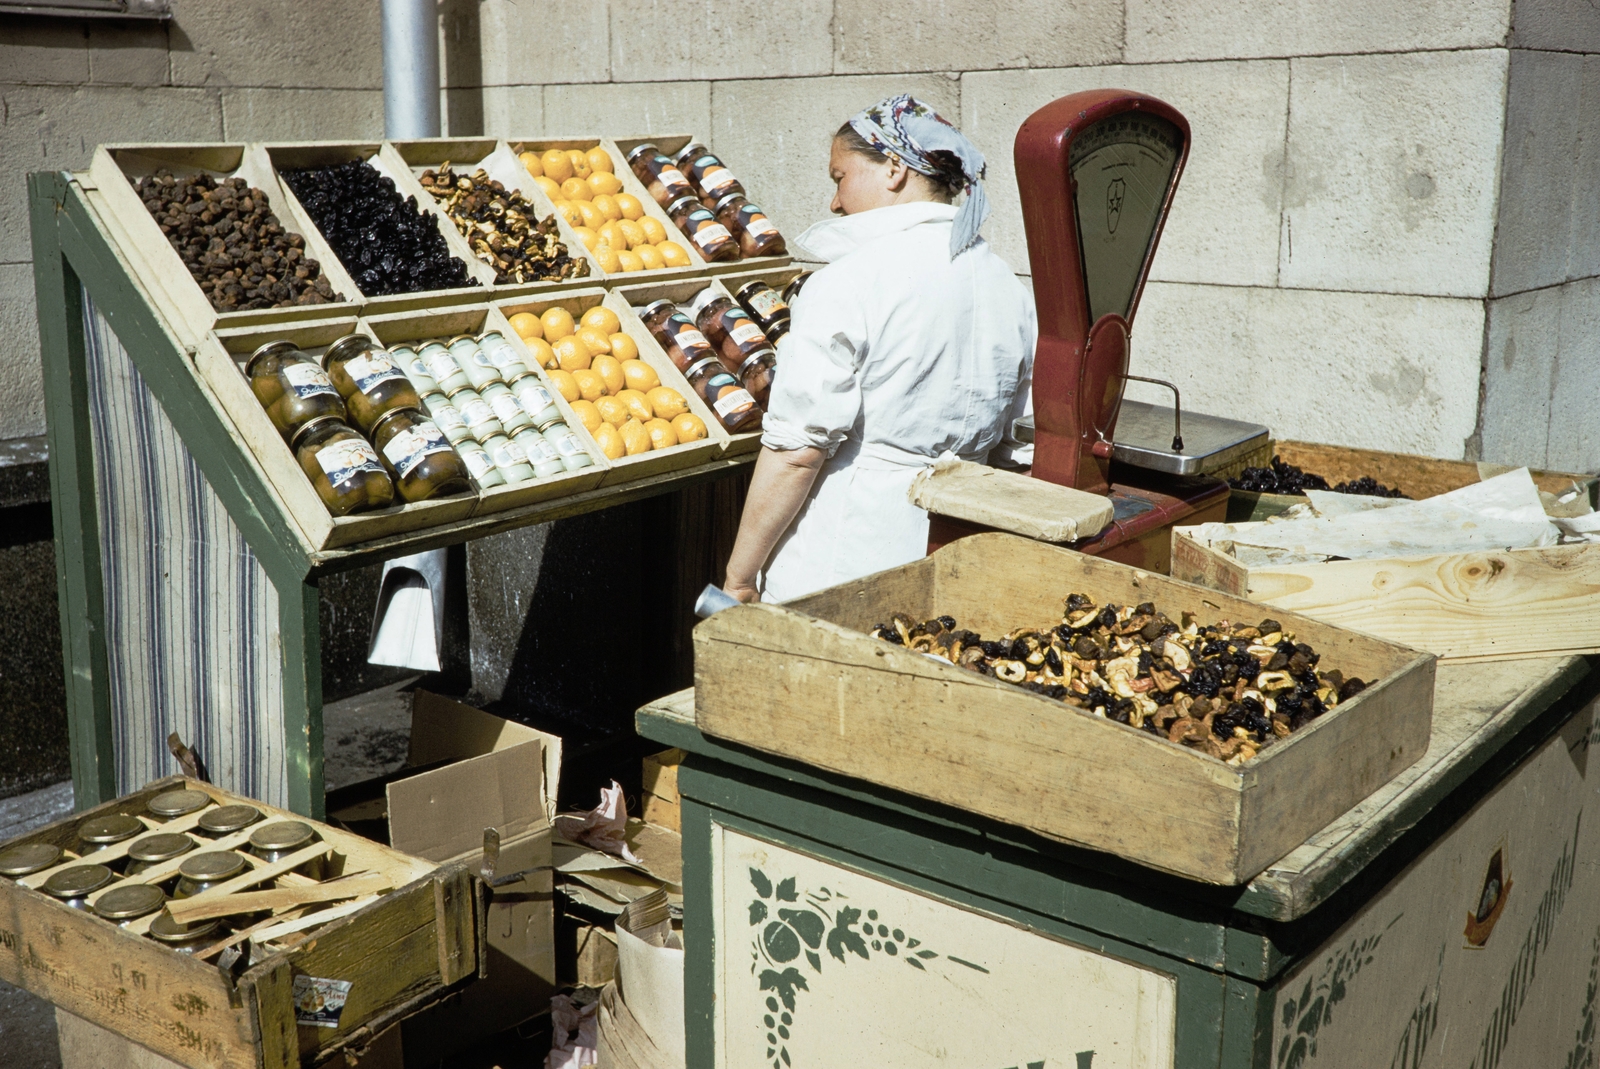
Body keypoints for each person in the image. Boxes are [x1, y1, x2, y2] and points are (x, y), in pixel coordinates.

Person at [722, 95, 1037, 604]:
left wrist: (740, 577)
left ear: (893, 170)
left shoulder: (850, 281)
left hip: (847, 558)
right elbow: (1020, 445)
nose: (835, 202)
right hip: (957, 556)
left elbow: (797, 454)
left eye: (839, 177)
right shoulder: (1006, 286)